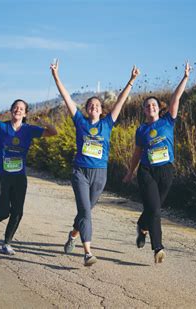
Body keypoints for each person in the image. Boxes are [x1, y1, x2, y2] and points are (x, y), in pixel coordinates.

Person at [50, 60, 139, 266]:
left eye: (98, 105)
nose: (94, 107)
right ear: (87, 109)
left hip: (100, 174)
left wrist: (131, 81)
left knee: (85, 210)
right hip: (80, 172)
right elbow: (66, 98)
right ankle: (88, 252)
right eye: (91, 105)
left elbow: (121, 101)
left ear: (101, 110)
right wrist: (56, 77)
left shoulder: (107, 123)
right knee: (86, 212)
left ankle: (73, 234)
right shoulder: (79, 121)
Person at [123, 61, 191, 264]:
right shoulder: (141, 130)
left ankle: (142, 227)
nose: (150, 107)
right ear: (144, 110)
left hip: (166, 171)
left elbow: (176, 98)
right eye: (147, 106)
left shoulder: (167, 120)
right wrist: (130, 172)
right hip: (147, 172)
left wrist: (185, 77)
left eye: (153, 104)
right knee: (155, 209)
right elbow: (137, 153)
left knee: (154, 208)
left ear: (158, 108)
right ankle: (158, 248)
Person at [0, 99, 57, 255]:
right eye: (15, 108)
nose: (18, 110)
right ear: (11, 111)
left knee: (18, 211)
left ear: (25, 113)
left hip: (19, 177)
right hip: (1, 175)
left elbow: (53, 132)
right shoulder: (1, 126)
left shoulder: (29, 129)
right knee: (4, 211)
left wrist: (43, 122)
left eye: (21, 108)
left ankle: (6, 243)